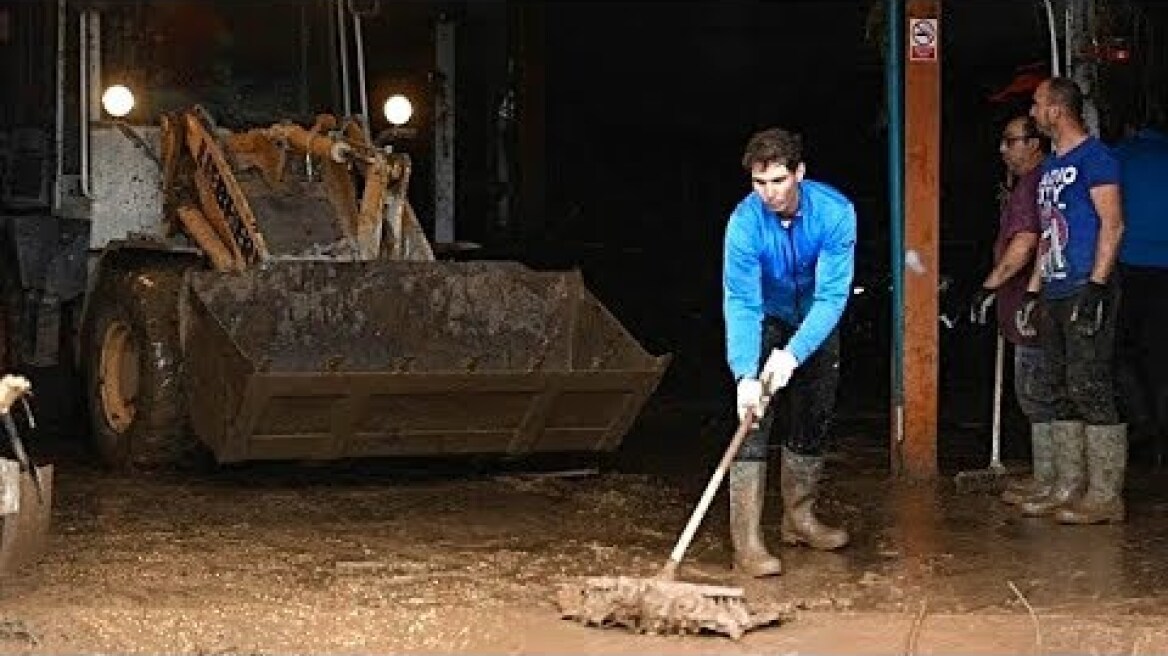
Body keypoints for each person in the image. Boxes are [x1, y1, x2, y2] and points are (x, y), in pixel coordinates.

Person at [723, 127, 855, 577]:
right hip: (765, 316)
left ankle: (799, 518)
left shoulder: (835, 214)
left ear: (800, 172)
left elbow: (833, 297)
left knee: (813, 412)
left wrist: (794, 353)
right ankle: (747, 542)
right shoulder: (743, 224)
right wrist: (745, 372)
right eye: (759, 183)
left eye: (779, 181)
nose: (769, 194)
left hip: (814, 320)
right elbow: (741, 301)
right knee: (753, 418)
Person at [1016, 77, 1126, 524]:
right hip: (1056, 287)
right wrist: (1033, 291)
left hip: (1085, 284)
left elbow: (1112, 224)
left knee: (1090, 384)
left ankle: (1104, 496)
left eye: (1038, 104)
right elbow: (1048, 233)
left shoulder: (1096, 158)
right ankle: (1067, 486)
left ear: (1058, 110)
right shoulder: (1049, 169)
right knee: (1058, 387)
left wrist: (1097, 287)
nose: (1034, 111)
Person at [968, 115, 1057, 505]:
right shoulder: (1028, 184)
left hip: (1032, 304)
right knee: (1039, 391)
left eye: (1011, 141)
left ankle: (1051, 481)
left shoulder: (1034, 183)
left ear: (1035, 143)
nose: (1003, 149)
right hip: (1028, 302)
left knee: (1039, 392)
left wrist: (989, 285)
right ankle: (1048, 477)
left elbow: (1024, 243)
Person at [1113, 116, 1168, 468]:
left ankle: (1143, 421)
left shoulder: (1120, 156)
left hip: (1131, 267)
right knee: (1161, 357)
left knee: (1118, 353)